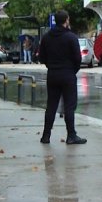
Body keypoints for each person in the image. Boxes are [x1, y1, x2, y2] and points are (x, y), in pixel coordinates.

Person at [39, 10, 87, 144]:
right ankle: (71, 135)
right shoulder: (71, 37)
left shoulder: (47, 37)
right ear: (66, 20)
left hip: (53, 74)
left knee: (51, 105)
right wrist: (72, 70)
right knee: (69, 106)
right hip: (68, 74)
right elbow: (78, 58)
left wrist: (51, 65)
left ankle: (46, 135)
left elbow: (41, 57)